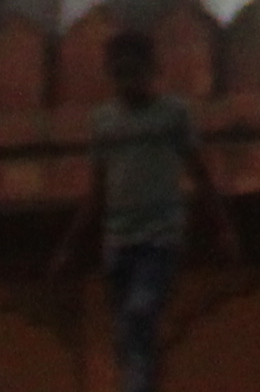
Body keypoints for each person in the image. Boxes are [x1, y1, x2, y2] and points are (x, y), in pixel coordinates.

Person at [92, 20, 218, 392]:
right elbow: (97, 188)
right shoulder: (103, 122)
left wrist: (223, 228)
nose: (126, 81)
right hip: (118, 239)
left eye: (132, 71)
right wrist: (70, 245)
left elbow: (199, 172)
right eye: (119, 73)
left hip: (160, 238)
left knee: (139, 313)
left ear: (151, 70)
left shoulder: (173, 115)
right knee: (129, 333)